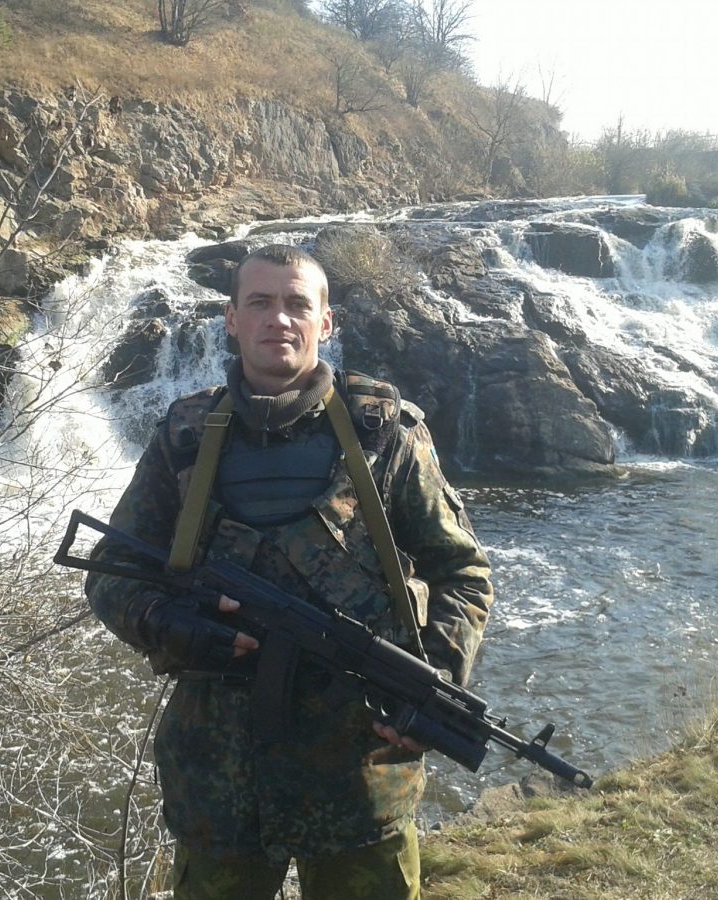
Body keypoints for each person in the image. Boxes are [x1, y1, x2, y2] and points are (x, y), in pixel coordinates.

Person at [85, 244, 493, 899]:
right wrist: (166, 622)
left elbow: (463, 573)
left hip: (362, 779)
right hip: (218, 784)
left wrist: (434, 681)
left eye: (298, 304)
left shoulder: (384, 433)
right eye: (260, 302)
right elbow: (113, 568)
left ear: (325, 323)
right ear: (231, 319)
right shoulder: (185, 435)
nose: (279, 318)